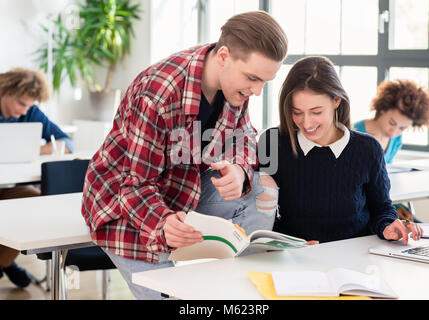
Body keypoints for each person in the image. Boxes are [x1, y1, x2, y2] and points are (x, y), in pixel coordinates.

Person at [81, 11, 288, 300]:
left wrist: (240, 170)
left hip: (183, 191)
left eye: (265, 81)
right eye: (253, 78)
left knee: (262, 188)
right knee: (173, 298)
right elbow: (135, 186)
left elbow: (246, 138)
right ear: (224, 56)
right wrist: (163, 223)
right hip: (127, 208)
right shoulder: (158, 94)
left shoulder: (234, 86)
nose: (257, 90)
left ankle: (240, 289)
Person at [258, 56, 422, 245]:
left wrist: (388, 226)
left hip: (353, 260)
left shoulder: (368, 149)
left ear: (336, 101)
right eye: (297, 112)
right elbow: (258, 214)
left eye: (316, 112)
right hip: (291, 260)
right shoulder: (272, 142)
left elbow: (381, 208)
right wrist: (286, 245)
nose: (306, 122)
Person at [0, 67, 74, 288]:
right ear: (6, 92)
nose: (25, 111)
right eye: (22, 104)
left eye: (30, 105)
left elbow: (67, 143)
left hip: (8, 187)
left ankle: (3, 261)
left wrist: (37, 149)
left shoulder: (31, 113)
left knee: (34, 201)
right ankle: (7, 264)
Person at [353, 79, 429, 222]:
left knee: (418, 226)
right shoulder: (356, 133)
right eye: (392, 123)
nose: (394, 131)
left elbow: (383, 183)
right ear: (382, 109)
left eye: (402, 128)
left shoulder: (396, 140)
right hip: (362, 208)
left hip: (383, 203)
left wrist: (397, 205)